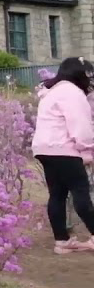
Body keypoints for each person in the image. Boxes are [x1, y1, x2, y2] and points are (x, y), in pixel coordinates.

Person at [33, 56, 94, 254]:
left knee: (57, 194)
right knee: (80, 192)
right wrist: (87, 149)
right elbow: (80, 126)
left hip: (45, 149)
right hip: (64, 149)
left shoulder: (52, 92)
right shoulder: (73, 93)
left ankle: (62, 241)